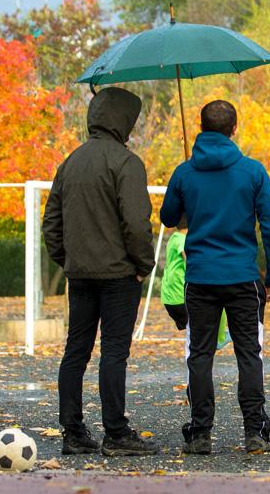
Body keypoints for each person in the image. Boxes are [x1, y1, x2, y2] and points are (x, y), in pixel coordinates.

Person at [161, 99, 270, 455]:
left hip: (201, 278)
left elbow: (169, 217)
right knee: (249, 354)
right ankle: (255, 431)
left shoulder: (185, 172)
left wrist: (183, 187)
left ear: (201, 128)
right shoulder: (253, 172)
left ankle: (200, 433)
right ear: (234, 128)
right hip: (243, 277)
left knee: (200, 355)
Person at [43, 87, 157, 457]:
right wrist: (143, 265)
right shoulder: (126, 163)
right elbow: (137, 224)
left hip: (81, 275)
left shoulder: (69, 163)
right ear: (124, 122)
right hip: (119, 276)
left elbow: (52, 225)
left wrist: (68, 260)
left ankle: (73, 432)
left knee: (75, 351)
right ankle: (116, 433)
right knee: (113, 353)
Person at [161, 226, 232, 349]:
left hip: (170, 298)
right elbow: (189, 259)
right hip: (181, 298)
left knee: (195, 334)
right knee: (219, 303)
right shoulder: (183, 240)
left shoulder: (173, 237)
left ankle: (211, 341)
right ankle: (218, 339)